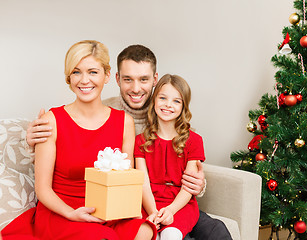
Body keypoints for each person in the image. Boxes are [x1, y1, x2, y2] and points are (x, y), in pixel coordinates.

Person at [25, 44, 232, 240]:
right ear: (115, 78)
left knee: (215, 231)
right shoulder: (102, 110)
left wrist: (199, 184)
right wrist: (31, 140)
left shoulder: (170, 112)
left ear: (154, 79)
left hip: (172, 203)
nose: (135, 88)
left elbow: (188, 161)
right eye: (128, 79)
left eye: (143, 79)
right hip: (140, 201)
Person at [2, 40, 156, 240]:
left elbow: (124, 181)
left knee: (145, 231)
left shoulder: (124, 122)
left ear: (107, 75)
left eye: (93, 72)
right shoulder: (52, 120)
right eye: (76, 72)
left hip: (108, 212)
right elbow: (43, 189)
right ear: (69, 77)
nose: (84, 80)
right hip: (62, 212)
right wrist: (70, 213)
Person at [135, 74, 205, 240]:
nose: (168, 105)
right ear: (154, 101)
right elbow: (143, 183)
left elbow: (188, 186)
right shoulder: (141, 141)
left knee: (169, 235)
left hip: (180, 205)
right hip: (148, 202)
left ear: (183, 107)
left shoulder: (194, 141)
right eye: (163, 98)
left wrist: (171, 210)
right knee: (147, 233)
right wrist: (153, 212)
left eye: (176, 101)